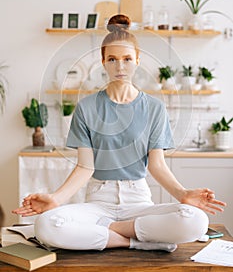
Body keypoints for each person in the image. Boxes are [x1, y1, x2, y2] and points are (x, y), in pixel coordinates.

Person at [13, 15, 226, 251]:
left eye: (126, 59)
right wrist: (56, 199)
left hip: (138, 201)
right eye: (112, 59)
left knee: (196, 221)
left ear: (137, 60)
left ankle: (109, 231)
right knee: (46, 225)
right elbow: (85, 167)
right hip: (98, 201)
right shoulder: (86, 107)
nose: (120, 66)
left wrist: (183, 193)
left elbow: (157, 165)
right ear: (103, 62)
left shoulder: (154, 108)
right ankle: (137, 242)